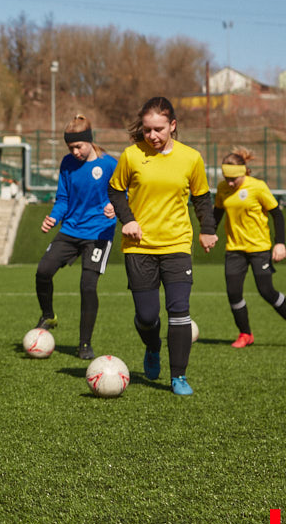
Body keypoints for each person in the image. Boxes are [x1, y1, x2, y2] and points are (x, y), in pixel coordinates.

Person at [107, 97, 215, 396]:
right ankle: (152, 347)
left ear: (173, 126)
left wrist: (207, 229)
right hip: (139, 247)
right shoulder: (130, 156)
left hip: (177, 244)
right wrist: (126, 220)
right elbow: (115, 191)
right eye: (147, 130)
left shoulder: (191, 158)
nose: (152, 136)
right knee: (147, 316)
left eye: (158, 129)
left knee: (179, 311)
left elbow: (202, 197)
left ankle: (178, 376)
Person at [34, 114, 117, 360]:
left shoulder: (110, 164)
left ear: (89, 141)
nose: (75, 151)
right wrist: (53, 217)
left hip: (99, 232)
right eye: (70, 147)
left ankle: (84, 344)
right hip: (70, 229)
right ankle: (48, 314)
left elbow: (126, 191)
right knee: (43, 271)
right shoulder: (67, 163)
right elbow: (63, 198)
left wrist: (115, 205)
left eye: (78, 146)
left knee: (87, 286)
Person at [213, 148, 286, 348]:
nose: (230, 183)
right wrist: (209, 232)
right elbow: (218, 213)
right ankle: (245, 334)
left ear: (244, 172)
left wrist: (280, 243)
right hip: (235, 248)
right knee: (233, 293)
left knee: (266, 291)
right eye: (226, 178)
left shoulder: (258, 187)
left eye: (234, 179)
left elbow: (277, 215)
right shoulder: (223, 188)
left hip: (259, 248)